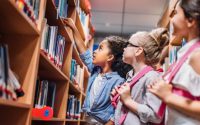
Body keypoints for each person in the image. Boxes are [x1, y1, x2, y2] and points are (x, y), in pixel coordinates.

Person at [64, 19, 132, 125]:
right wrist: (73, 28)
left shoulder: (119, 80)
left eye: (100, 48)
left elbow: (117, 110)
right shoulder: (96, 70)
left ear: (110, 57)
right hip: (88, 119)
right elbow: (84, 52)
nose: (95, 51)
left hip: (102, 122)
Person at [148, 0, 200, 124]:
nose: (171, 19)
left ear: (190, 20)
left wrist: (168, 96)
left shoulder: (197, 55)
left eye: (175, 13)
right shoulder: (187, 53)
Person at [111, 28, 169, 125]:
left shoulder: (152, 77)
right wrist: (119, 98)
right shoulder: (130, 76)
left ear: (138, 51)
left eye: (128, 44)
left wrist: (128, 100)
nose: (124, 48)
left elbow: (156, 116)